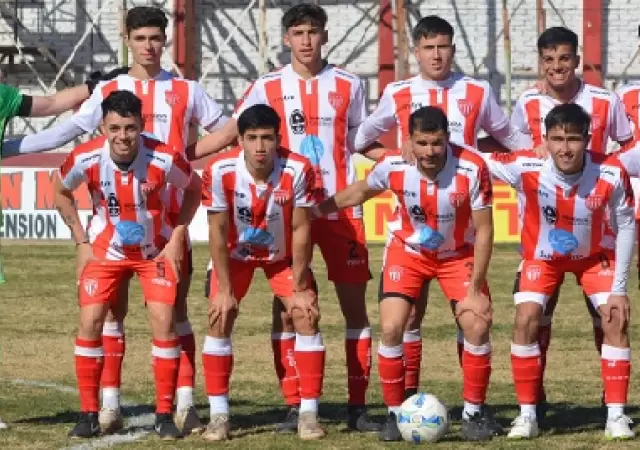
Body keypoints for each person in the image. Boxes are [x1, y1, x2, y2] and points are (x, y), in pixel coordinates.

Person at [4, 6, 228, 434]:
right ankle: (108, 405)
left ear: (165, 41)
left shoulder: (187, 90)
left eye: (156, 38)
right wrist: (12, 147)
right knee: (108, 314)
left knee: (175, 312)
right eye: (140, 38)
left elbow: (227, 128)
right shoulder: (110, 88)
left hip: (166, 224)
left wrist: (187, 156)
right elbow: (66, 134)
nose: (148, 46)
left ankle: (183, 404)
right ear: (127, 39)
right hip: (112, 223)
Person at [195, 3, 381, 432]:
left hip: (336, 207)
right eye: (298, 32)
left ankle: (358, 408)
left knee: (354, 307)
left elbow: (360, 139)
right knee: (290, 306)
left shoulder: (350, 84)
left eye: (313, 32)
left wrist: (396, 159)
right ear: (286, 38)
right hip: (282, 208)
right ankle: (295, 404)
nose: (306, 40)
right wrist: (184, 157)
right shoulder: (266, 84)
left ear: (325, 36)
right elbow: (231, 132)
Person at [352, 14, 530, 401]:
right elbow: (361, 139)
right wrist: (396, 159)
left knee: (470, 317)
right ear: (415, 52)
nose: (436, 55)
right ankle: (409, 400)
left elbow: (512, 139)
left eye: (443, 46)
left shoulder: (477, 92)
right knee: (408, 317)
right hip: (413, 224)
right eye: (428, 47)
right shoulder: (398, 92)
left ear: (453, 49)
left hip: (461, 226)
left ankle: (473, 407)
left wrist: (507, 157)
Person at [316, 106, 501, 442]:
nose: (429, 151)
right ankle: (394, 413)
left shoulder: (473, 168)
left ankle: (474, 412)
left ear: (447, 139)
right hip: (408, 252)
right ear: (409, 142)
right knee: (390, 327)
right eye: (422, 143)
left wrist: (476, 289)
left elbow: (485, 230)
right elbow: (360, 191)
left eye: (436, 143)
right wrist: (317, 209)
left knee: (476, 322)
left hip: (456, 255)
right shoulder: (393, 166)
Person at [53, 90, 202, 440]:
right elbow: (59, 189)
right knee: (91, 321)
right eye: (115, 128)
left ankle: (164, 415)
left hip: (155, 252)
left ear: (143, 125)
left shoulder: (164, 157)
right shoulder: (85, 157)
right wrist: (81, 242)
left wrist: (179, 233)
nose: (123, 136)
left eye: (130, 128)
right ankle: (92, 412)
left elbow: (195, 189)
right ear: (103, 126)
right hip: (105, 252)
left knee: (165, 322)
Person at [480, 103, 635, 439]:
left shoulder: (610, 172)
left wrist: (619, 288)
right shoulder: (526, 165)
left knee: (615, 317)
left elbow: (625, 226)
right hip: (542, 257)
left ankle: (617, 416)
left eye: (574, 139)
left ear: (588, 139)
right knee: (526, 318)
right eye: (558, 139)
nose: (565, 148)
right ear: (546, 140)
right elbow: (475, 159)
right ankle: (527, 416)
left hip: (595, 256)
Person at [509, 26, 634, 415]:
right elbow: (517, 153)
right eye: (549, 60)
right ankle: (536, 399)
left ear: (576, 60)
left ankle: (608, 401)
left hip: (596, 224)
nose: (557, 67)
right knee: (536, 313)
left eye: (564, 58)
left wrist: (608, 171)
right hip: (542, 227)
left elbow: (626, 144)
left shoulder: (604, 100)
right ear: (540, 63)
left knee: (605, 313)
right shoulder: (526, 102)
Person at [201, 104, 325, 441]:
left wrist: (300, 284)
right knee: (220, 315)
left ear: (278, 139)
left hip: (280, 256)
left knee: (305, 313)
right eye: (252, 138)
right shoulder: (219, 170)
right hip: (234, 256)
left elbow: (301, 229)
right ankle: (219, 416)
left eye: (267, 138)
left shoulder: (298, 169)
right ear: (239, 140)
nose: (259, 147)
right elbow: (216, 230)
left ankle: (309, 414)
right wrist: (224, 289)